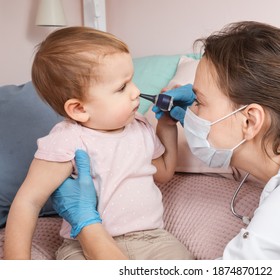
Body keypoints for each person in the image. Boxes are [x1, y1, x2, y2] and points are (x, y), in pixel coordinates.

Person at [52, 21, 280, 259]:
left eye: (199, 100)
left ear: (250, 120)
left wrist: (87, 224)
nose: (192, 112)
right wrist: (202, 105)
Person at [4, 26, 193, 260]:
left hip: (151, 239)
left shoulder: (140, 125)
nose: (136, 92)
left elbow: (163, 172)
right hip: (81, 246)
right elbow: (28, 202)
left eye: (132, 80)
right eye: (122, 87)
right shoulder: (67, 140)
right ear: (79, 109)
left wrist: (166, 125)